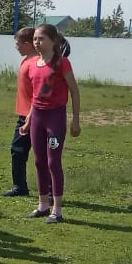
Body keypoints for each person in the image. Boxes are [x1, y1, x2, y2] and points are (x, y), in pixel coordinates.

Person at [19, 24, 81, 223]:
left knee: (53, 162)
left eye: (41, 39)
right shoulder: (33, 64)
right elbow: (36, 97)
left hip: (55, 118)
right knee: (39, 162)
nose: (37, 42)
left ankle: (57, 210)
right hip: (38, 117)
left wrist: (75, 120)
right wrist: (28, 121)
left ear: (53, 41)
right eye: (35, 39)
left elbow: (74, 91)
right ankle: (43, 205)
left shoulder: (62, 63)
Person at [3, 27, 38, 197]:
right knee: (17, 150)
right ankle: (20, 187)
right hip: (23, 115)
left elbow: (37, 94)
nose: (16, 47)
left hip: (34, 116)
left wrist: (30, 117)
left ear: (27, 43)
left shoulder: (36, 63)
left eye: (18, 43)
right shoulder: (26, 60)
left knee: (42, 155)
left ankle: (50, 192)